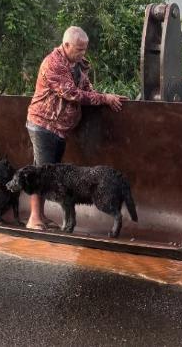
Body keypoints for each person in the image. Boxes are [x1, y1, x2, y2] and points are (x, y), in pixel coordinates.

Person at [24, 26, 126, 230]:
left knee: (47, 170)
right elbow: (73, 94)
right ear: (66, 45)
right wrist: (104, 98)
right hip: (43, 124)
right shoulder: (53, 64)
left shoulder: (77, 64)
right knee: (41, 173)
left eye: (85, 49)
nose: (83, 53)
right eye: (79, 49)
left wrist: (103, 97)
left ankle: (41, 217)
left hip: (60, 128)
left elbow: (86, 88)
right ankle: (34, 218)